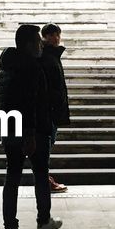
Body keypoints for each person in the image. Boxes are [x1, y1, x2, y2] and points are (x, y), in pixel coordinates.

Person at [0, 23, 62, 229]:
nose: (41, 45)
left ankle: (10, 228)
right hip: (32, 130)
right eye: (37, 41)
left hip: (9, 127)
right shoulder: (31, 68)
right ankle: (44, 221)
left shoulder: (5, 66)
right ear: (27, 45)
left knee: (12, 176)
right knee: (41, 174)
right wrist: (31, 133)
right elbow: (30, 102)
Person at [40, 23, 71, 194]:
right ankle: (44, 179)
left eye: (57, 34)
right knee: (46, 145)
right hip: (49, 111)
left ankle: (45, 177)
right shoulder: (46, 57)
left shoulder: (52, 56)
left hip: (52, 110)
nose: (56, 38)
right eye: (51, 35)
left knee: (48, 145)